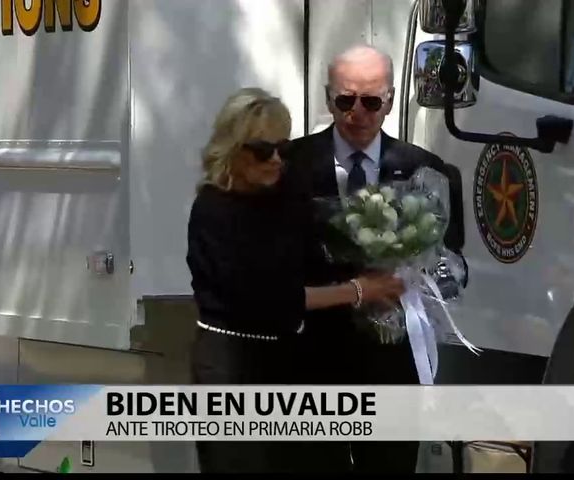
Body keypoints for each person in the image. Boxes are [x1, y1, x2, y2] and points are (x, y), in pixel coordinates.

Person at [186, 87, 405, 473]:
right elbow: (268, 298)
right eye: (262, 150)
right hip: (233, 368)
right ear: (232, 149)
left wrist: (382, 259)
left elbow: (320, 259)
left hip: (297, 362)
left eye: (283, 149)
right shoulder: (213, 211)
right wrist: (357, 291)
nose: (276, 159)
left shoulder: (286, 196)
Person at [281, 44, 466, 473]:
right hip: (312, 355)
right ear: (328, 98)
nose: (357, 114)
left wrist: (418, 283)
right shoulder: (289, 164)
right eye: (345, 101)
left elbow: (453, 260)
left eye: (370, 102)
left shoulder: (425, 170)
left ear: (390, 100)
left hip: (393, 360)